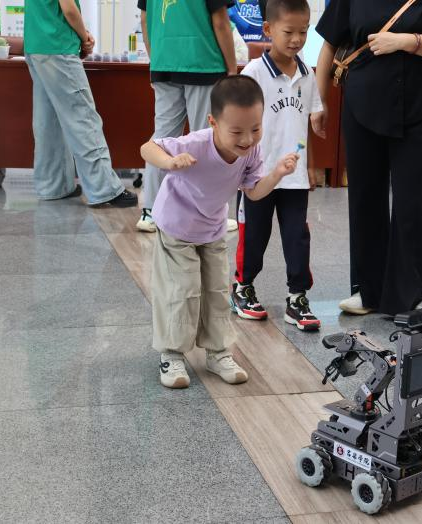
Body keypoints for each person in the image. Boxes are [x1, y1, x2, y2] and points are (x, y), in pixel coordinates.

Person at [141, 75, 300, 389]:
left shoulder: (250, 151)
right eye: (237, 132)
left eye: (255, 129)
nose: (247, 139)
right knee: (182, 290)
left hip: (212, 229)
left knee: (215, 292)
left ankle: (218, 353)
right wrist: (170, 162)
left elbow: (253, 192)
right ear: (213, 122)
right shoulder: (196, 143)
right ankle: (172, 354)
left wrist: (277, 174)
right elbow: (148, 148)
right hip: (177, 227)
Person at [315, 0, 422, 316]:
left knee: (412, 202)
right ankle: (368, 291)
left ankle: (410, 294)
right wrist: (319, 101)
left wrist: (406, 41)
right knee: (365, 198)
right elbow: (329, 42)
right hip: (362, 103)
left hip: (418, 106)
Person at [232, 0, 325, 331]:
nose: (297, 39)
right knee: (254, 235)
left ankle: (297, 297)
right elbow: (236, 122)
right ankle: (242, 287)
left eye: (303, 32)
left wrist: (310, 166)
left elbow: (307, 124)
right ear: (269, 30)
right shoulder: (254, 73)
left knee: (297, 236)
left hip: (294, 175)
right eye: (289, 32)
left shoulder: (307, 74)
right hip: (257, 176)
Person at [136, 0, 238, 232]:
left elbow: (144, 19)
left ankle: (150, 211)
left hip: (164, 63)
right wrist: (232, 69)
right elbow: (221, 21)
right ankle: (206, 213)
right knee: (206, 140)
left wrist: (156, 60)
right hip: (203, 63)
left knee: (161, 139)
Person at [23, 0, 137, 207]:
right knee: (84, 118)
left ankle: (53, 186)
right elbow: (69, 9)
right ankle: (105, 189)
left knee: (48, 121)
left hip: (36, 45)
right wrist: (85, 37)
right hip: (58, 44)